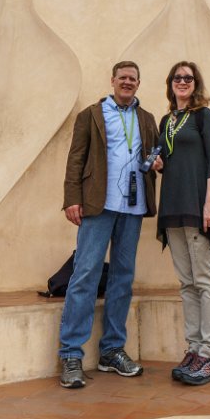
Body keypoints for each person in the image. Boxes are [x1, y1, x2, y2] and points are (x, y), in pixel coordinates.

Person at [59, 61, 159, 388]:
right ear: (113, 80)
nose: (127, 82)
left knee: (123, 278)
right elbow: (76, 159)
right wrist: (72, 198)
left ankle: (112, 350)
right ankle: (71, 354)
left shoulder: (147, 119)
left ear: (138, 83)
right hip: (97, 205)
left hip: (133, 207)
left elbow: (153, 154)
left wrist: (156, 162)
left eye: (133, 79)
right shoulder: (91, 115)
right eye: (123, 78)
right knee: (85, 274)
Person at [152, 61, 210, 386]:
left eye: (188, 78)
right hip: (172, 208)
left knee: (205, 281)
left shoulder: (203, 116)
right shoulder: (166, 121)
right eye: (177, 77)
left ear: (195, 83)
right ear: (170, 83)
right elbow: (170, 160)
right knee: (187, 283)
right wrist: (159, 163)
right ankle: (194, 349)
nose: (182, 81)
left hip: (197, 206)